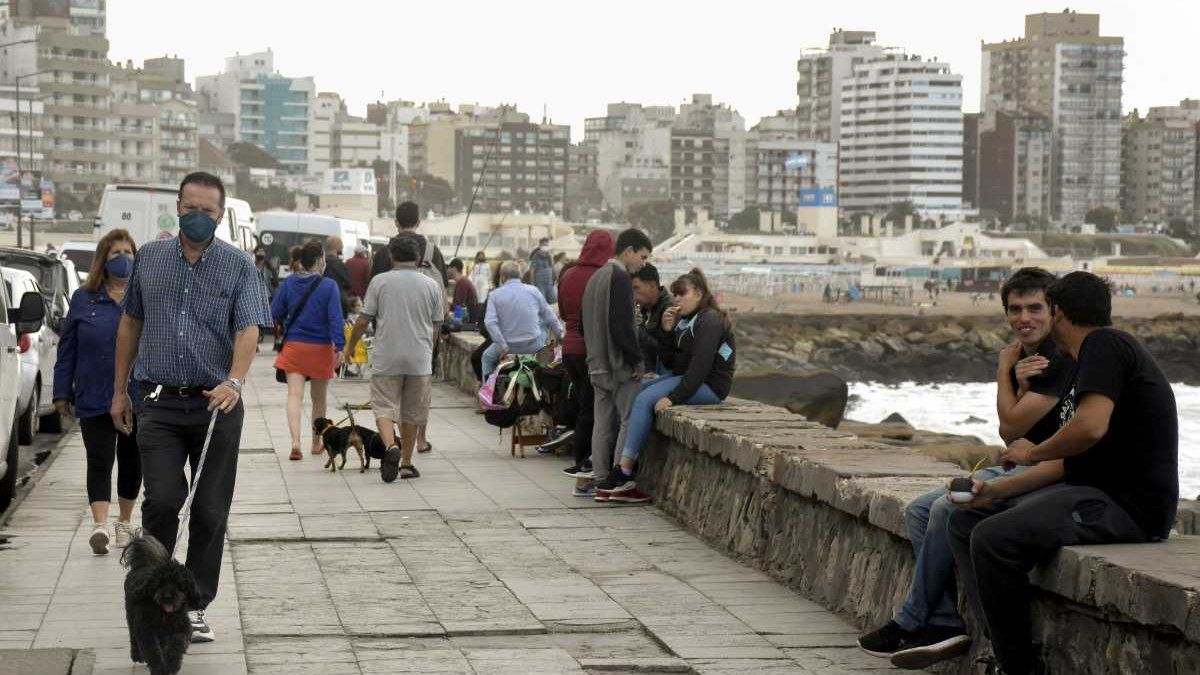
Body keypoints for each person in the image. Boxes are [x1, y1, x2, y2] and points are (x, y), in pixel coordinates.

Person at [948, 271, 1178, 675]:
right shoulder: (1096, 353)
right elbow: (1069, 461)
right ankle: (1000, 647)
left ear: (1059, 313)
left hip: (1127, 509)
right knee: (968, 519)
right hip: (1093, 492)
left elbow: (1088, 428)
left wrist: (1033, 451)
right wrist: (995, 493)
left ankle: (1019, 667)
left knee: (992, 538)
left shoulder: (1104, 344)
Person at [858, 268, 1076, 669]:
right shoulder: (1029, 360)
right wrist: (1018, 384)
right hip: (1022, 464)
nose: (1023, 318)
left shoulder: (1054, 359)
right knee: (919, 509)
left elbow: (1011, 426)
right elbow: (1011, 432)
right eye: (1015, 309)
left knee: (946, 508)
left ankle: (911, 619)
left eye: (1034, 308)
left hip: (1052, 474)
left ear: (1054, 310)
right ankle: (942, 621)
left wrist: (1003, 369)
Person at [112, 171, 271, 644]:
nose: (198, 217)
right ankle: (149, 594)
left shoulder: (239, 266)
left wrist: (234, 381)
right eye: (191, 207)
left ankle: (195, 604)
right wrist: (120, 390)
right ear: (177, 207)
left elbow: (249, 330)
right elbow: (130, 325)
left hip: (215, 405)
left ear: (220, 215)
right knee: (162, 500)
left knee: (209, 510)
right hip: (158, 403)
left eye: (208, 210)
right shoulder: (151, 259)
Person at [598, 269, 735, 504]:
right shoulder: (687, 320)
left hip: (710, 386)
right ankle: (619, 459)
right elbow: (673, 363)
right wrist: (667, 331)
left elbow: (700, 367)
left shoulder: (709, 320)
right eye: (675, 294)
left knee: (644, 399)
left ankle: (625, 471)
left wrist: (673, 397)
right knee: (636, 391)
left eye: (683, 294)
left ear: (699, 293)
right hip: (688, 378)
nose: (677, 299)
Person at [53, 228, 142, 555]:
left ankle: (125, 522)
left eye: (129, 252)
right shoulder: (83, 298)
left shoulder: (143, 295)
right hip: (94, 392)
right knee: (100, 458)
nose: (123, 259)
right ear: (102, 260)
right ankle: (100, 525)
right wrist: (62, 392)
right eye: (116, 253)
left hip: (137, 395)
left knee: (132, 458)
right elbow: (68, 349)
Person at [345, 236, 443, 483]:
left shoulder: (380, 282)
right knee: (412, 413)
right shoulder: (431, 285)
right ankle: (407, 464)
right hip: (419, 359)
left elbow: (364, 319)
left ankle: (390, 447)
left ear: (391, 256)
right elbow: (435, 327)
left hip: (387, 356)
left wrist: (350, 346)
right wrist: (426, 352)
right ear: (418, 258)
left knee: (383, 406)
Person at [583, 228, 652, 496]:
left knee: (601, 423)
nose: (643, 264)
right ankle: (616, 479)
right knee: (627, 419)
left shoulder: (595, 277)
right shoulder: (620, 277)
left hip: (595, 362)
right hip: (617, 366)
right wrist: (636, 360)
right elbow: (621, 326)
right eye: (643, 257)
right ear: (628, 251)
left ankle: (599, 478)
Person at [272, 240, 345, 461]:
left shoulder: (289, 283)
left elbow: (275, 310)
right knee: (319, 399)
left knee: (294, 396)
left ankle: (295, 442)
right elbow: (335, 318)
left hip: (295, 346)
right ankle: (316, 442)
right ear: (319, 259)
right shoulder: (329, 285)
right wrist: (339, 346)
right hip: (321, 348)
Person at [555, 231, 615, 490]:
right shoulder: (603, 277)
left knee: (583, 408)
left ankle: (582, 468)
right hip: (592, 350)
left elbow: (562, 310)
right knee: (595, 413)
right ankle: (585, 470)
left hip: (569, 348)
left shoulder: (568, 275)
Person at [481, 261, 564, 378]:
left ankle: (487, 393)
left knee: (487, 358)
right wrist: (560, 336)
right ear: (519, 275)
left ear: (503, 277)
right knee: (543, 324)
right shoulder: (534, 291)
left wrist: (503, 345)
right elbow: (550, 316)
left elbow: (490, 323)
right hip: (533, 345)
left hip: (508, 346)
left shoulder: (495, 295)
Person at [371, 201, 446, 285]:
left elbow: (373, 287)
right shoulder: (433, 252)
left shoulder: (382, 253)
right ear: (418, 223)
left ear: (396, 223)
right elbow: (443, 284)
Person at [632, 263, 671, 374]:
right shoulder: (645, 308)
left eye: (636, 288)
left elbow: (666, 352)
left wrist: (638, 330)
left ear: (653, 286)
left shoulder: (669, 310)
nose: (632, 294)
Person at [447, 258, 480, 324]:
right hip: (468, 318)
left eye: (449, 268)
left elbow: (458, 306)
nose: (447, 270)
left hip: (468, 322)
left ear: (454, 269)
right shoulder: (462, 281)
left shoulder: (462, 282)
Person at [322, 235, 352, 301]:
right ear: (336, 246)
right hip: (336, 299)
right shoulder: (339, 264)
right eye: (341, 244)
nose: (342, 247)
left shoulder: (321, 263)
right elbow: (348, 283)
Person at [529, 237, 556, 303]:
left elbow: (553, 268)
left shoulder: (549, 256)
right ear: (540, 245)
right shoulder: (536, 256)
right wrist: (533, 285)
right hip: (540, 284)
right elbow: (532, 271)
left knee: (553, 301)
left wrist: (550, 257)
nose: (545, 247)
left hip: (549, 284)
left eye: (547, 245)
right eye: (544, 245)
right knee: (542, 302)